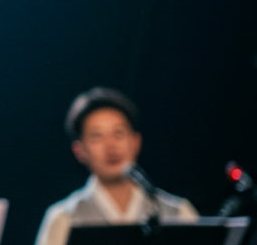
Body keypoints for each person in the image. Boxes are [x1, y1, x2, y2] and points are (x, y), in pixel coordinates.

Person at [35, 88, 198, 245]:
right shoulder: (64, 217)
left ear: (135, 142)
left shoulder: (177, 212)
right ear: (79, 151)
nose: (111, 147)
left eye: (118, 133)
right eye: (97, 136)